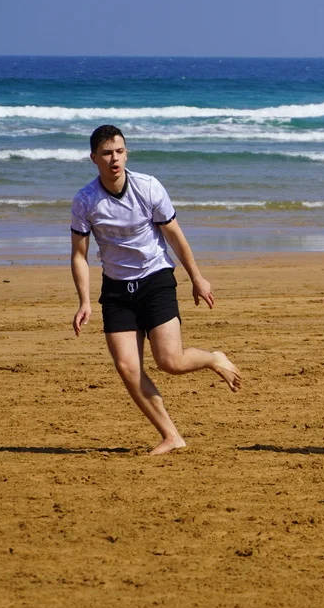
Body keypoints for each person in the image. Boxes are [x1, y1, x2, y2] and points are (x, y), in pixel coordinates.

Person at [70, 124, 242, 455]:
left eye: (119, 151)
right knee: (127, 367)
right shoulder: (85, 201)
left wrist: (197, 278)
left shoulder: (148, 187)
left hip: (156, 280)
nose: (114, 159)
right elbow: (79, 255)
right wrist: (84, 302)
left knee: (170, 361)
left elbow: (174, 234)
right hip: (117, 289)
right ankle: (171, 436)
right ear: (94, 158)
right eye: (106, 153)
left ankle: (213, 358)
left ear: (126, 153)